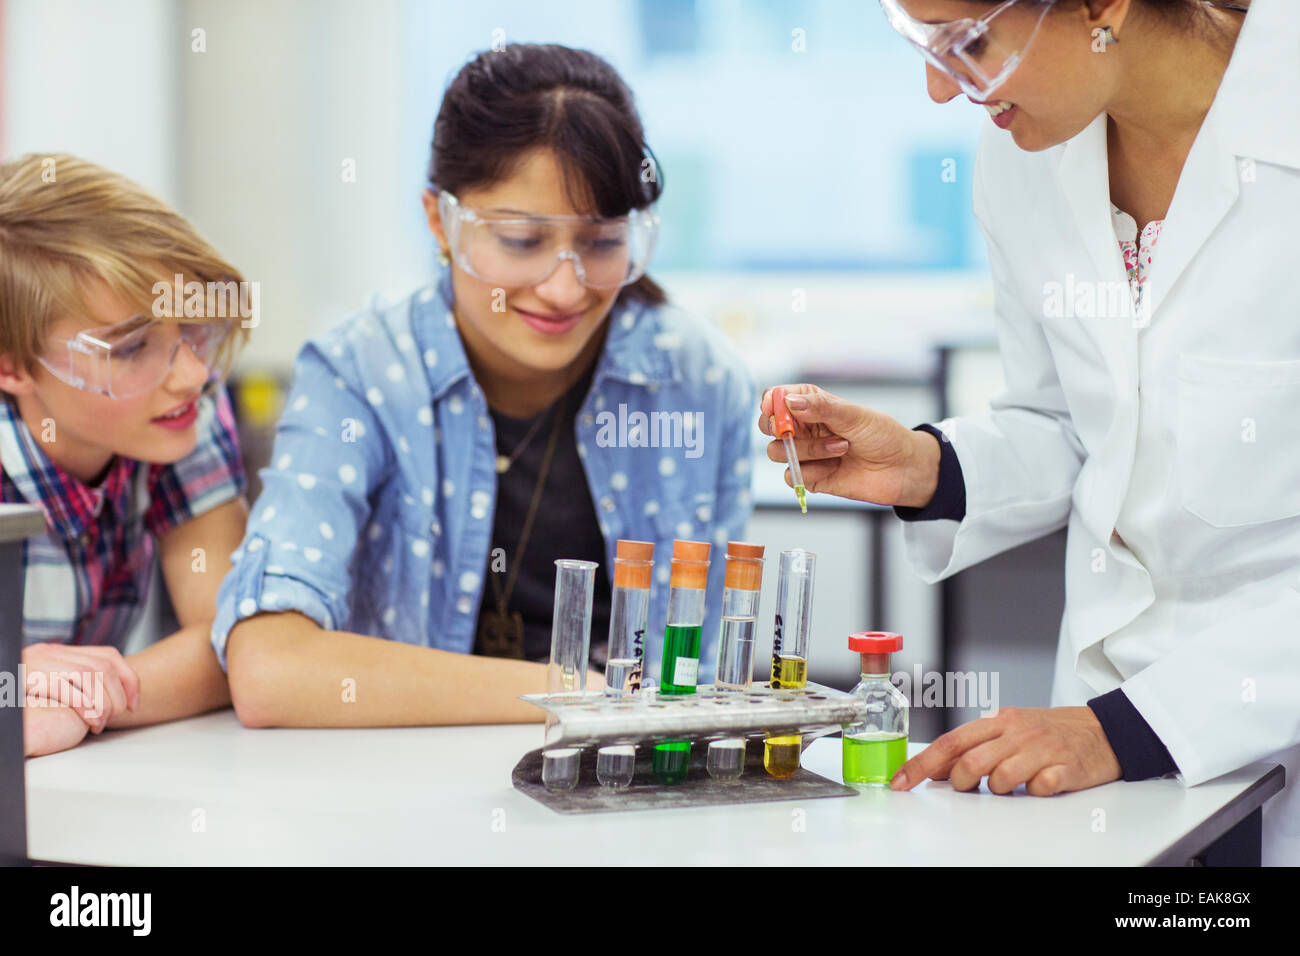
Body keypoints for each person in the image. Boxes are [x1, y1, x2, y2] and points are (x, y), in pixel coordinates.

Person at [763, 0, 1297, 863]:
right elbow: (1079, 425)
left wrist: (1129, 730)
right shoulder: (1027, 156)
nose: (942, 89)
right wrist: (928, 469)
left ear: (1103, 7)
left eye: (968, 43)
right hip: (1098, 744)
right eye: (922, 47)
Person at [213, 43, 756, 727]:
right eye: (522, 240)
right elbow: (271, 668)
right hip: (403, 797)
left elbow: (696, 684)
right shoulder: (362, 372)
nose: (565, 288)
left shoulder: (696, 382)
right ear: (439, 221)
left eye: (600, 243)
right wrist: (577, 693)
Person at [0, 154, 251, 756]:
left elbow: (232, 641)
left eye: (192, 328)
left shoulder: (178, 409)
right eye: (133, 346)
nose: (191, 373)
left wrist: (81, 703)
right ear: (11, 364)